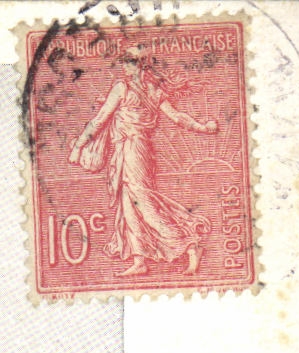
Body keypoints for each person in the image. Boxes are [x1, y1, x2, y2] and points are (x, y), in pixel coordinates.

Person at [70, 46, 220, 277]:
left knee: (144, 203)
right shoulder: (150, 90)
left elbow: (100, 119)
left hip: (133, 149)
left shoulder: (125, 88)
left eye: (130, 61)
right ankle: (139, 259)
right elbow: (176, 117)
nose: (125, 65)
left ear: (142, 64)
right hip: (134, 150)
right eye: (124, 60)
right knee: (129, 204)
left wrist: (79, 146)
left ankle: (189, 245)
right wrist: (203, 127)